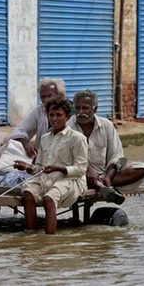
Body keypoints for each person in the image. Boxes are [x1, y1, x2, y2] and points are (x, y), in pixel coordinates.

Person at [14, 99, 88, 234]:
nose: (54, 119)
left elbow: (81, 169)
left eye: (59, 115)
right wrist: (27, 167)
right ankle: (30, 232)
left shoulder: (78, 138)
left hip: (71, 180)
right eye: (51, 115)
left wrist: (58, 168)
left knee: (49, 199)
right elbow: (40, 168)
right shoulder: (45, 138)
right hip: (47, 178)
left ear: (68, 117)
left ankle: (49, 240)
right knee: (28, 192)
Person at [67, 90, 144, 204]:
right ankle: (98, 184)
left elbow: (116, 155)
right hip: (80, 174)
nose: (80, 112)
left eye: (85, 108)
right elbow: (69, 158)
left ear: (95, 109)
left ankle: (101, 183)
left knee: (142, 168)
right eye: (77, 108)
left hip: (104, 174)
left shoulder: (106, 125)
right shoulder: (68, 127)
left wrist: (108, 177)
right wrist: (87, 170)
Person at [3, 77, 66, 160]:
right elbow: (19, 130)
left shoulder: (68, 111)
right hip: (41, 158)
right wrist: (25, 144)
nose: (46, 100)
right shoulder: (40, 111)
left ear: (59, 95)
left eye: (50, 96)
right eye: (43, 97)